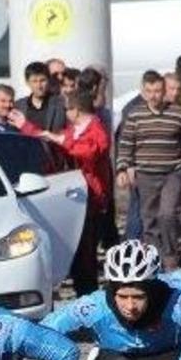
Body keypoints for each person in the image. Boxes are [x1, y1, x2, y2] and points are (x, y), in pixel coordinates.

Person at [41, 241, 181, 360]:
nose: (130, 306)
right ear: (112, 292)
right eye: (122, 297)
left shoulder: (180, 304)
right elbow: (43, 331)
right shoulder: (95, 307)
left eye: (138, 297)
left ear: (152, 292)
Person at [21, 89, 111, 294]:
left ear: (76, 110)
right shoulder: (73, 130)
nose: (65, 113)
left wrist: (61, 140)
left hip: (91, 200)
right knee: (74, 249)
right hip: (72, 196)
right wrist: (25, 126)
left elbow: (87, 151)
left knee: (86, 253)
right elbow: (49, 138)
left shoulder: (97, 130)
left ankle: (87, 292)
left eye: (67, 109)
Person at [116, 70, 181, 270]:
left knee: (168, 214)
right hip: (145, 174)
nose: (154, 96)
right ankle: (154, 258)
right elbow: (126, 144)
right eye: (149, 91)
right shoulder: (135, 115)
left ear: (164, 91)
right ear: (143, 91)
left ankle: (170, 256)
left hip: (173, 172)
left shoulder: (178, 114)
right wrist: (122, 168)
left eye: (158, 91)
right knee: (149, 218)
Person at [16, 61, 66, 133]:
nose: (39, 86)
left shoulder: (61, 104)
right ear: (27, 82)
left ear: (49, 80)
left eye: (42, 80)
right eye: (34, 81)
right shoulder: (18, 106)